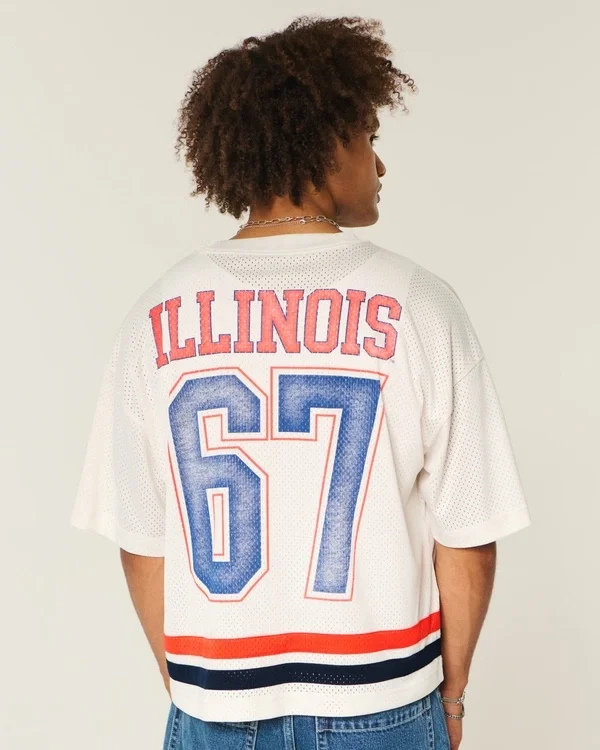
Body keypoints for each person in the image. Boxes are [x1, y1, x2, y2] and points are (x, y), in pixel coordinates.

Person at [70, 14, 532, 750]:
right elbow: (468, 536)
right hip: (382, 700)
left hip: (216, 703)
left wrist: (190, 693)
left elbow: (141, 539)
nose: (381, 166)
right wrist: (454, 699)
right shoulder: (420, 303)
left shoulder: (155, 315)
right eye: (370, 138)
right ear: (327, 141)